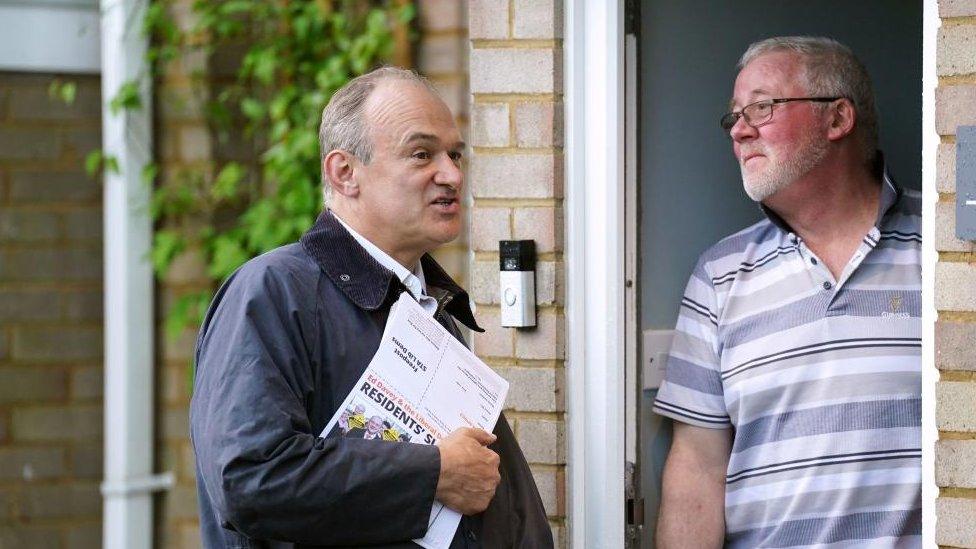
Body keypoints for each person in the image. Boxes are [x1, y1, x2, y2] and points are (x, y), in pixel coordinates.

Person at [191, 67, 552, 548]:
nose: (451, 174)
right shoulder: (273, 293)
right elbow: (250, 479)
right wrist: (433, 473)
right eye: (422, 154)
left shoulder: (431, 307)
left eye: (455, 154)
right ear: (344, 173)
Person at [653, 37, 921, 548]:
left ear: (838, 118)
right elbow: (696, 471)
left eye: (762, 106)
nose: (739, 129)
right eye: (733, 115)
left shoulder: (943, 254)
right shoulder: (720, 275)